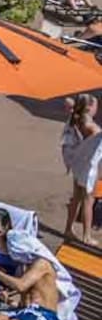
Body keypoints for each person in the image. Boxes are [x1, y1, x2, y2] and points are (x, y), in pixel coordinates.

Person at [62, 93, 102, 243]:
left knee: (76, 198)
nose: (97, 108)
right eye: (96, 105)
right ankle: (87, 236)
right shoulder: (92, 127)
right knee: (88, 201)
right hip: (89, 167)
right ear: (89, 108)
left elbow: (69, 102)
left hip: (78, 164)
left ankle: (68, 229)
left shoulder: (75, 119)